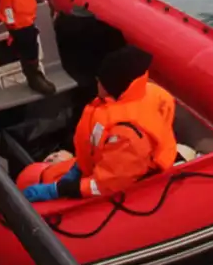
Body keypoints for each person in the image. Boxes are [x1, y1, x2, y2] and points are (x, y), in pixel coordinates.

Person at [18, 46, 178, 202]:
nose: (97, 85)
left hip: (121, 179)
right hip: (103, 163)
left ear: (112, 86)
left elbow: (106, 185)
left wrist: (60, 190)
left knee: (34, 180)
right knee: (32, 177)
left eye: (99, 81)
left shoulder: (126, 135)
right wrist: (79, 167)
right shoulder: (138, 96)